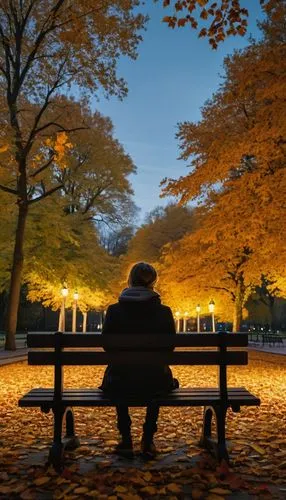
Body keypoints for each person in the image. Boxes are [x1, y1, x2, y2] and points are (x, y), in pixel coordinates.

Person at [99, 262, 178, 458]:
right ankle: (148, 440)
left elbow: (107, 345)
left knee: (121, 374)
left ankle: (126, 439)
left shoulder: (114, 310)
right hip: (156, 380)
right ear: (153, 282)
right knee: (156, 378)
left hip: (119, 380)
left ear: (130, 280)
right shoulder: (164, 312)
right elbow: (169, 348)